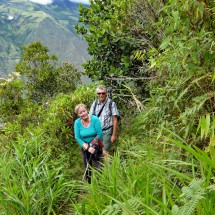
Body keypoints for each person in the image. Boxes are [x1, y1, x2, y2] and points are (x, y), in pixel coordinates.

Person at [74, 103, 103, 183]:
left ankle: (100, 185)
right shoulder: (77, 123)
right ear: (78, 114)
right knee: (87, 167)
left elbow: (99, 134)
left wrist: (92, 145)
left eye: (84, 111)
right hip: (85, 147)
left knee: (98, 168)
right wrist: (87, 147)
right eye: (81, 112)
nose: (83, 113)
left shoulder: (95, 119)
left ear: (87, 110)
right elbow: (77, 137)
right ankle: (89, 185)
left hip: (96, 146)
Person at [89, 85, 119, 156]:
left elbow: (115, 119)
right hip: (96, 133)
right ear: (97, 94)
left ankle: (107, 166)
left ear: (106, 94)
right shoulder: (95, 103)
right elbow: (90, 118)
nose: (101, 95)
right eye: (99, 93)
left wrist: (114, 135)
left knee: (105, 152)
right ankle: (98, 166)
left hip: (107, 132)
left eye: (103, 93)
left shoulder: (111, 103)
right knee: (95, 151)